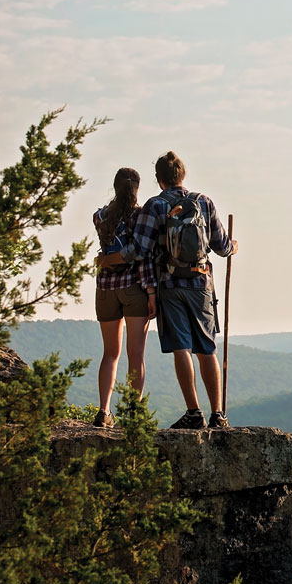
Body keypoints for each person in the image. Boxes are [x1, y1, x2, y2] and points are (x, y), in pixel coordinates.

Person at [100, 151, 238, 429]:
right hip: (201, 284)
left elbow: (137, 251)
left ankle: (193, 412)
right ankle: (218, 415)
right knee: (207, 347)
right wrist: (234, 245)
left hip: (169, 284)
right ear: (182, 175)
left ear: (159, 178)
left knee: (181, 348)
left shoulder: (155, 206)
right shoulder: (204, 201)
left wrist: (108, 259)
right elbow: (222, 246)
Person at [92, 167, 155, 428]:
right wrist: (151, 292)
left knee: (110, 353)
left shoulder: (99, 216)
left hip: (105, 287)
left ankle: (104, 411)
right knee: (135, 355)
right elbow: (142, 254)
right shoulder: (140, 217)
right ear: (137, 188)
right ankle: (132, 414)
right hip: (133, 286)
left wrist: (106, 260)